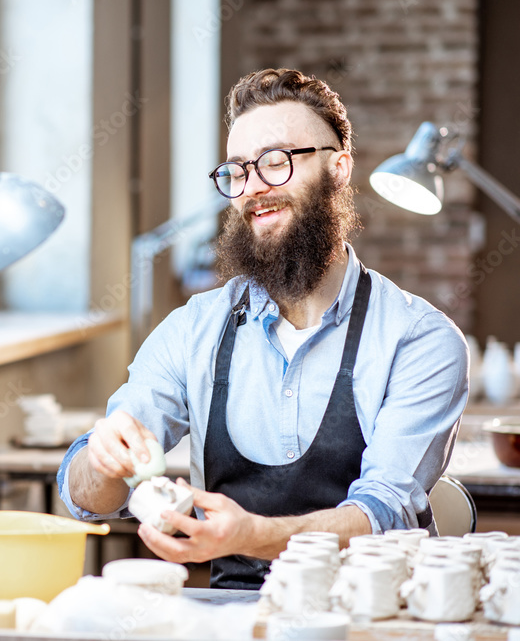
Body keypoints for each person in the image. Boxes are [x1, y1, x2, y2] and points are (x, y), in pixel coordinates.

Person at [57, 68, 469, 590]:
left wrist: (251, 534)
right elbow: (84, 500)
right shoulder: (193, 331)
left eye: (277, 163)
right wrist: (104, 458)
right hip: (234, 619)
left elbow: (383, 514)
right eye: (238, 171)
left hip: (372, 618)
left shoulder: (419, 339)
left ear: (338, 168)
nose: (254, 189)